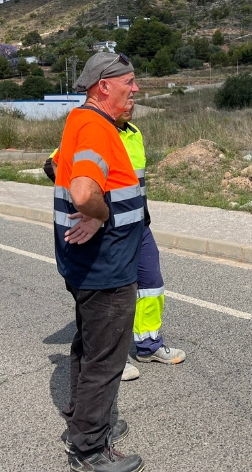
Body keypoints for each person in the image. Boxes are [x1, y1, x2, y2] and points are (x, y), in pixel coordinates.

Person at [47, 101, 187, 382]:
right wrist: (90, 208)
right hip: (108, 229)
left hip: (139, 226)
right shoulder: (97, 131)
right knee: (112, 297)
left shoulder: (134, 133)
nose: (130, 104)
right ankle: (114, 359)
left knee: (152, 284)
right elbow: (54, 165)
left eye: (133, 100)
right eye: (124, 100)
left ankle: (149, 345)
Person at [54, 52, 145, 472]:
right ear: (103, 86)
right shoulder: (95, 127)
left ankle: (84, 420)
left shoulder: (79, 120)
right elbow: (83, 192)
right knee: (106, 356)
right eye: (129, 82)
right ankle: (89, 449)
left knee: (89, 343)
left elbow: (58, 167)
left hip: (83, 261)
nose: (136, 89)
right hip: (105, 264)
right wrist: (97, 213)